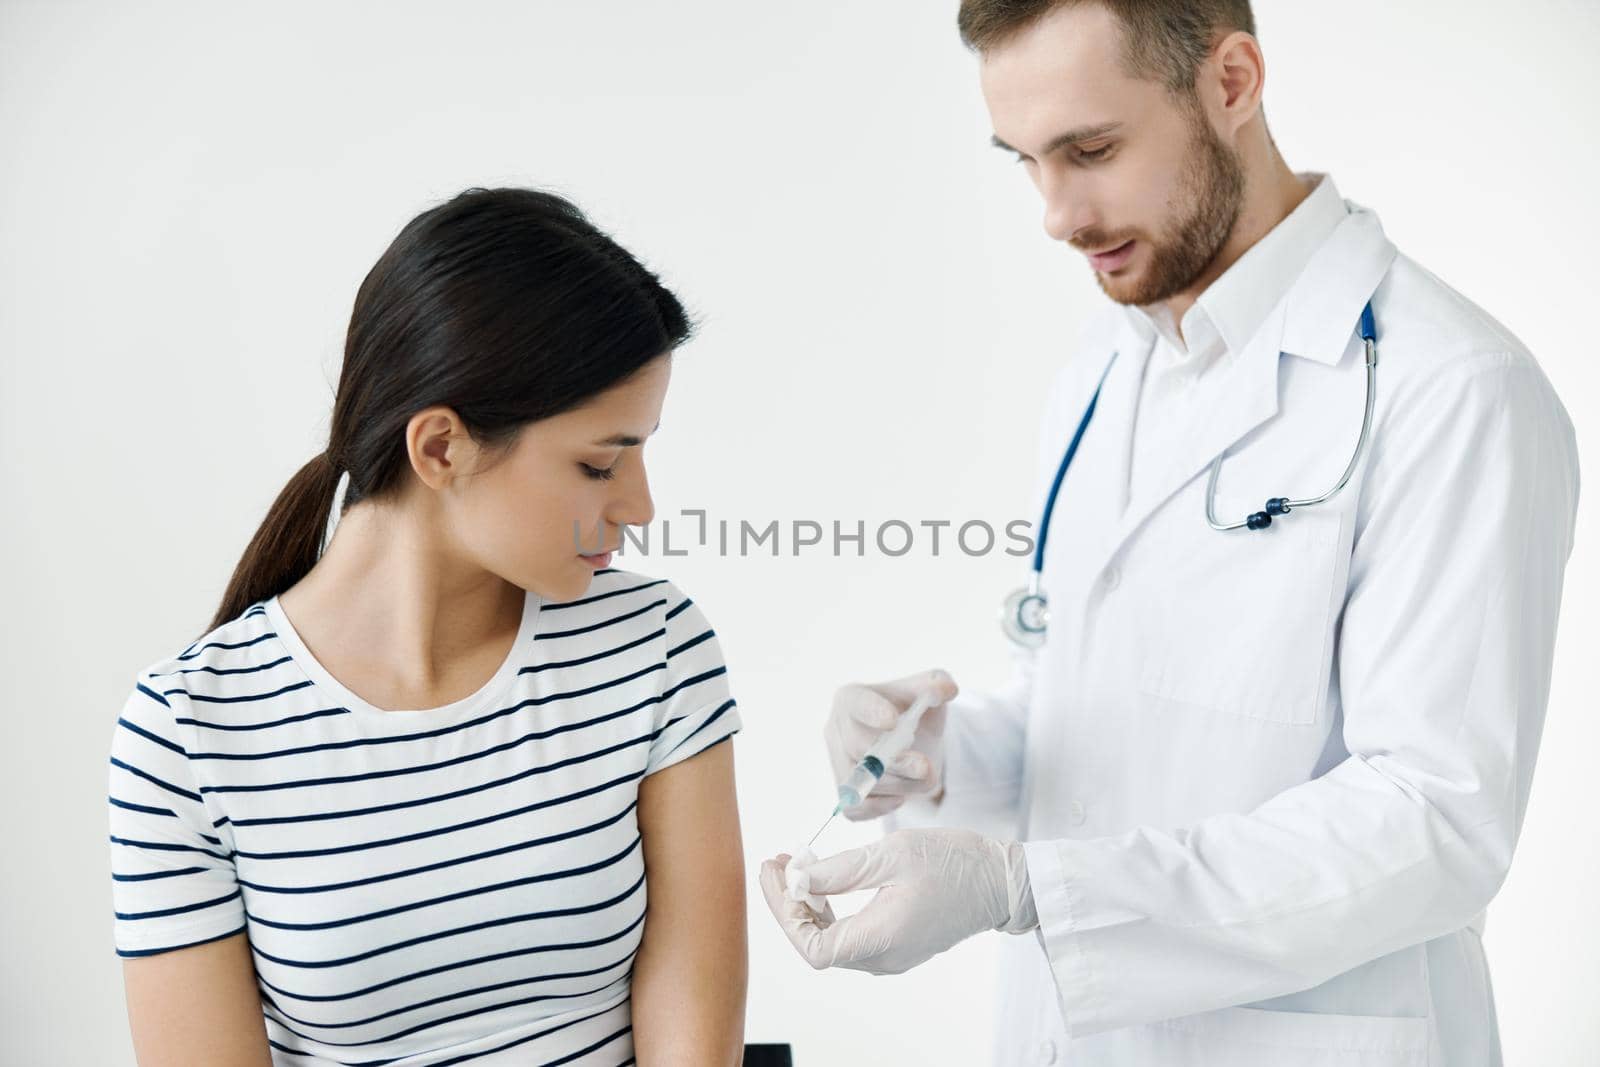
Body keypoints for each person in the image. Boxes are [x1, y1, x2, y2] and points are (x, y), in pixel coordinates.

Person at [759, 3, 1580, 1065]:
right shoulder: (1105, 373)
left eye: (1090, 150)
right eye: (1025, 161)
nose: (1056, 213)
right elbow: (1094, 714)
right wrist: (938, 758)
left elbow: (1432, 822)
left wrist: (1027, 889)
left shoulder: (1453, 388)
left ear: (1232, 81)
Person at [107, 188, 747, 1066]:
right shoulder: (186, 733)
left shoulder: (653, 645)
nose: (640, 506)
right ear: (440, 448)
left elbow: (692, 1021)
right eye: (600, 463)